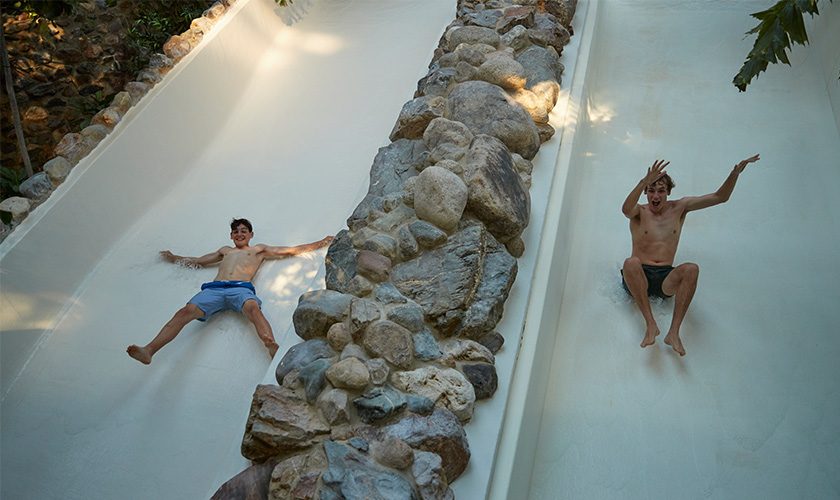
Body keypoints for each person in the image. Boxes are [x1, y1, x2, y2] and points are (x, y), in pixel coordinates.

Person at [127, 218, 332, 364]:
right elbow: (198, 261)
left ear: (250, 234)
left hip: (240, 289)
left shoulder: (258, 249)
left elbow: (290, 250)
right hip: (214, 290)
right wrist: (173, 257)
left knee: (253, 308)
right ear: (231, 236)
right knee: (184, 312)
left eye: (244, 231)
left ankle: (270, 344)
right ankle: (149, 350)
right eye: (236, 231)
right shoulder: (225, 251)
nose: (239, 234)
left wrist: (321, 242)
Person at [621, 155, 760, 356]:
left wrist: (734, 174)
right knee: (631, 262)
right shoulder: (639, 211)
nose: (656, 196)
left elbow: (720, 197)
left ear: (668, 192)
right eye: (651, 191)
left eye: (660, 190)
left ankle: (674, 332)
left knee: (691, 268)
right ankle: (651, 324)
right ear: (645, 193)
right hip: (637, 276)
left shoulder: (680, 207)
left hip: (664, 279)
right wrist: (644, 180)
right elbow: (625, 209)